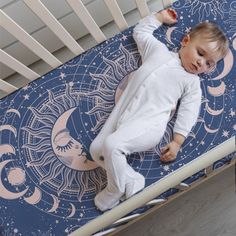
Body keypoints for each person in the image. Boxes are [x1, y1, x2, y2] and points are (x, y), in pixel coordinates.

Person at [89, 8, 229, 211]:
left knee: (112, 145)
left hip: (149, 124)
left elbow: (189, 112)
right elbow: (141, 33)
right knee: (97, 150)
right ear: (186, 41)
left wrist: (177, 142)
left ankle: (114, 190)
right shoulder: (158, 52)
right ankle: (131, 178)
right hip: (123, 114)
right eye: (200, 53)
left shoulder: (191, 82)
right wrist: (159, 18)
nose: (201, 63)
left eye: (209, 63)